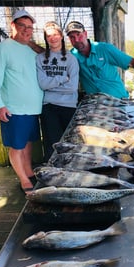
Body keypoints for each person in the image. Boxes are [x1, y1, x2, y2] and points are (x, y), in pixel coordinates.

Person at [0, 9, 43, 194]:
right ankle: (23, 180)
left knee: (28, 142)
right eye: (22, 25)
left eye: (30, 27)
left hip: (33, 108)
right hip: (14, 108)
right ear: (12, 25)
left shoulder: (31, 50)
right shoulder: (2, 49)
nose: (27, 30)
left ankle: (28, 171)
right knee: (17, 145)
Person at [65, 21, 134, 99]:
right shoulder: (71, 56)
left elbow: (132, 62)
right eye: (72, 37)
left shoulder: (105, 49)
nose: (77, 40)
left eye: (79, 35)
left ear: (86, 34)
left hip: (118, 100)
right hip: (95, 104)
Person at [36, 21, 79, 162]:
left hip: (68, 106)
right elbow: (42, 84)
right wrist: (62, 78)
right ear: (46, 39)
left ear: (61, 36)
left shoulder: (71, 59)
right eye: (49, 36)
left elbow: (72, 87)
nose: (52, 38)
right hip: (49, 106)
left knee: (70, 143)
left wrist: (51, 84)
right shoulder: (40, 59)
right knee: (52, 143)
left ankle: (70, 171)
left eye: (55, 34)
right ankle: (51, 172)